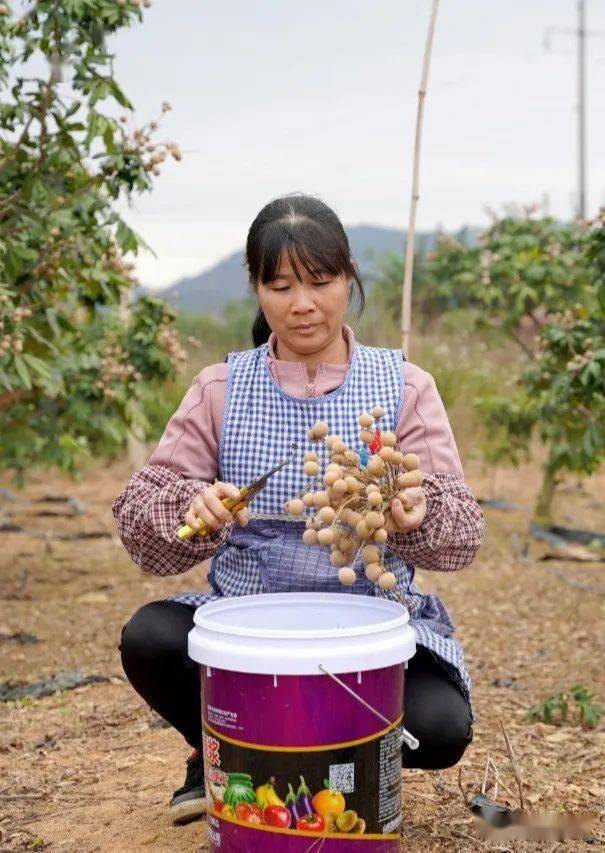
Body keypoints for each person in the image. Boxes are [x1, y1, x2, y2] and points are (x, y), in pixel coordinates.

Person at [113, 193, 485, 826]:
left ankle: (308, 763)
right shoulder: (221, 387)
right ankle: (219, 756)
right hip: (247, 631)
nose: (302, 303)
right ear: (257, 289)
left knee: (441, 727)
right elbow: (139, 516)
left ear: (349, 279)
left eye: (320, 281)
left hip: (368, 631)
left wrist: (418, 516)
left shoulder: (404, 385)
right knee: (150, 637)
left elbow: (463, 534)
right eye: (280, 285)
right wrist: (193, 508)